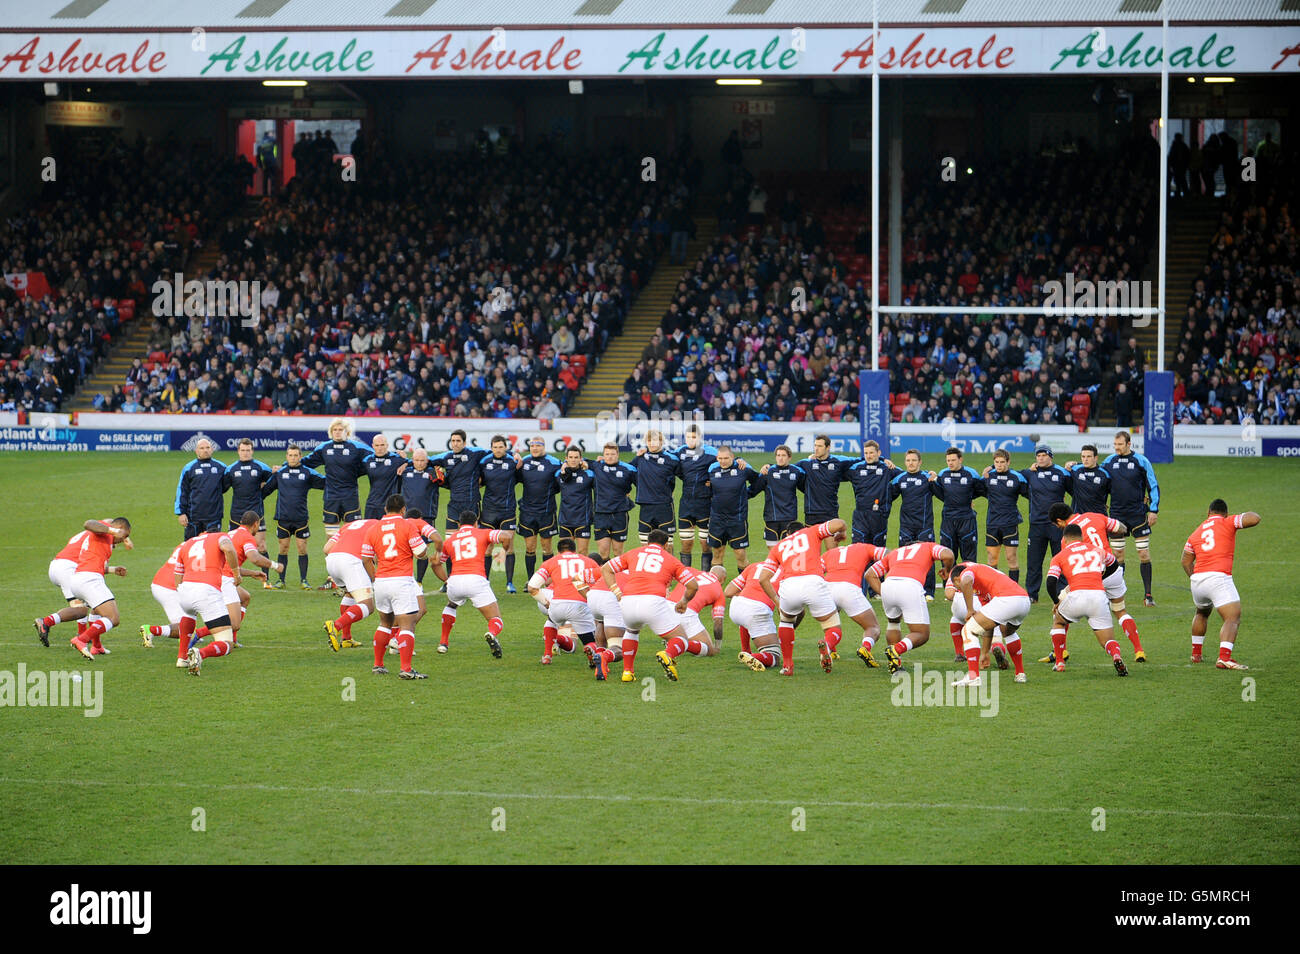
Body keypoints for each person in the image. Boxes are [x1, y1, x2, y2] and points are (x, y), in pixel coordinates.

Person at [1048, 503, 1144, 661]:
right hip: (1113, 570)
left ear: (1059, 522)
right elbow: (1121, 527)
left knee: (1061, 606)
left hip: (1092, 576)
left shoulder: (1067, 540)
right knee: (1120, 610)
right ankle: (1139, 650)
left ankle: (1061, 653)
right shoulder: (1094, 516)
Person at [600, 529, 697, 682]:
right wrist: (684, 601)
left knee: (632, 631)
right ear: (666, 545)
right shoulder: (670, 559)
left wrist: (617, 592)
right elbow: (693, 585)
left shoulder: (634, 553)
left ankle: (627, 672)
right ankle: (668, 654)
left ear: (647, 542)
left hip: (628, 601)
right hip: (652, 602)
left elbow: (606, 568)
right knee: (681, 639)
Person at [754, 519, 849, 676]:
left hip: (789, 586)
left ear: (787, 534)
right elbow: (839, 523)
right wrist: (841, 533)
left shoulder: (779, 546)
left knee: (786, 622)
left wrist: (777, 601)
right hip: (813, 582)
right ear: (804, 528)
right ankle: (828, 644)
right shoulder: (812, 531)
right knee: (833, 627)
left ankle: (787, 666)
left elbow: (763, 578)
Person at [35, 517, 132, 657]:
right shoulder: (104, 530)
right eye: (126, 535)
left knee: (96, 609)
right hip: (83, 576)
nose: (123, 539)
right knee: (111, 617)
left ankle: (96, 646)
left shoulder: (103, 539)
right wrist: (115, 531)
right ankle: (81, 639)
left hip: (78, 576)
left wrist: (112, 569)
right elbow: (88, 523)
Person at [1181, 499, 1260, 669]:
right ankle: (1224, 657)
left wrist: (1195, 578)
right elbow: (1255, 518)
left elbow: (1185, 561)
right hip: (1218, 578)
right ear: (1224, 512)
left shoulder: (1196, 532)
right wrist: (1238, 518)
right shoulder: (1227, 521)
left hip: (1197, 581)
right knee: (1232, 617)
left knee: (1202, 612)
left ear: (1208, 512)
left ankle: (1196, 654)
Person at [1045, 524, 1129, 677]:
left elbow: (1051, 581)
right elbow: (1114, 565)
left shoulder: (1060, 556)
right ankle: (1116, 655)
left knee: (1059, 621)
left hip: (1076, 596)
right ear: (1082, 537)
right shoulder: (1097, 550)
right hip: (1098, 597)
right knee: (1107, 641)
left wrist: (1056, 601)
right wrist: (1099, 576)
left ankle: (1059, 663)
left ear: (1064, 538)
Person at [361, 495, 430, 679]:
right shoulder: (407, 525)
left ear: (385, 509)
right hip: (402, 580)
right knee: (407, 624)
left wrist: (375, 578)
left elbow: (366, 558)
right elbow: (421, 551)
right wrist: (423, 554)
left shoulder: (373, 528)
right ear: (403, 510)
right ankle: (406, 669)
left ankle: (378, 665)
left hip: (381, 582)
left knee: (385, 623)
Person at [866, 540, 955, 674]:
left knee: (893, 623)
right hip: (910, 585)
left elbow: (870, 574)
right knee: (921, 633)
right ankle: (896, 650)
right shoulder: (928, 546)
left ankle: (895, 663)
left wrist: (883, 593)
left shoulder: (895, 552)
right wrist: (947, 570)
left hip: (888, 585)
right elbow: (948, 555)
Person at [438, 510, 512, 657]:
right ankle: (491, 634)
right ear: (476, 522)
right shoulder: (482, 533)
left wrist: (446, 580)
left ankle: (443, 643)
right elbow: (506, 536)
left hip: (455, 581)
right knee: (495, 619)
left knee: (451, 605)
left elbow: (436, 562)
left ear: (459, 525)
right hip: (476, 580)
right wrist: (505, 549)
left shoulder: (450, 540)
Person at [527, 538, 603, 675]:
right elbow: (601, 582)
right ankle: (591, 651)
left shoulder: (550, 562)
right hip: (579, 605)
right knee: (589, 640)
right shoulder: (588, 561)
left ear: (558, 551)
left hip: (556, 603)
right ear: (575, 550)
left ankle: (547, 656)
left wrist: (546, 603)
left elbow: (532, 587)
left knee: (551, 621)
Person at [949, 562, 1032, 686]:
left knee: (968, 630)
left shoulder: (967, 572)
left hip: (1007, 599)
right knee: (1007, 631)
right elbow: (989, 624)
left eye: (956, 586)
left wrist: (970, 609)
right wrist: (985, 652)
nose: (959, 589)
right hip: (1023, 600)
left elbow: (966, 582)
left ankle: (973, 676)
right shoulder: (983, 588)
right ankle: (1020, 674)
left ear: (956, 579)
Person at [1103, 430, 1160, 606]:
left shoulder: (1141, 461)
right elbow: (1100, 483)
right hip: (1117, 515)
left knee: (1143, 553)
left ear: (1129, 444)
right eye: (1115, 444)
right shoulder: (1108, 462)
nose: (1117, 447)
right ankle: (1117, 594)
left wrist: (1153, 509)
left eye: (1120, 444)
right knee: (1118, 556)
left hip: (1137, 514)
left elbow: (1153, 485)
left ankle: (1148, 595)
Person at [178, 530, 244, 676]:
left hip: (184, 590)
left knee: (189, 614)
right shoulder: (220, 536)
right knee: (227, 642)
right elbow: (228, 549)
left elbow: (178, 574)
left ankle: (181, 658)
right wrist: (236, 573)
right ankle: (200, 654)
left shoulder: (187, 543)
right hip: (206, 591)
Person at [262, 444, 326, 589]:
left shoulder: (308, 473)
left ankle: (304, 580)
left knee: (302, 548)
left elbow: (326, 483)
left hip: (301, 518)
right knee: (283, 548)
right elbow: (266, 491)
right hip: (283, 518)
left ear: (300, 457)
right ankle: (281, 581)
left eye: (295, 455)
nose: (293, 458)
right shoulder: (279, 473)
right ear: (286, 456)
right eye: (290, 455)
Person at [819, 542, 887, 670]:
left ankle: (829, 647)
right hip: (848, 588)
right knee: (873, 627)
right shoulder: (864, 547)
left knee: (832, 624)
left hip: (827, 588)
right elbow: (887, 555)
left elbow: (817, 571)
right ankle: (865, 648)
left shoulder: (829, 553)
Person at [1019, 445, 1073, 602]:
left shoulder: (1062, 473)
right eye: (1038, 456)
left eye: (1044, 455)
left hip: (1058, 525)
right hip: (1036, 525)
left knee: (1061, 560)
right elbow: (1013, 476)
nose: (1041, 458)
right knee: (1034, 562)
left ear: (1051, 457)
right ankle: (1031, 594)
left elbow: (1075, 492)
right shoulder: (1030, 473)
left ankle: (1062, 592)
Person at [303, 419, 370, 535]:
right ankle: (332, 554)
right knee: (331, 536)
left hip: (350, 497)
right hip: (331, 497)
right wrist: (284, 467)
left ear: (347, 432)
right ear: (331, 432)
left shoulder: (357, 447)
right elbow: (305, 462)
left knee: (353, 535)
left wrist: (399, 458)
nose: (337, 432)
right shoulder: (324, 448)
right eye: (335, 430)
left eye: (340, 429)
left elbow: (376, 458)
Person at [703, 446, 762, 574]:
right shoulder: (712, 469)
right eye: (720, 458)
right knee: (717, 553)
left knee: (740, 554)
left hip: (737, 520)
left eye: (726, 458)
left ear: (733, 457)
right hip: (717, 519)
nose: (723, 461)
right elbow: (707, 486)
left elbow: (758, 481)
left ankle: (745, 586)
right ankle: (715, 587)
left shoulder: (743, 468)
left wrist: (748, 494)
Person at [323, 517, 379, 651]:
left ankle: (346, 638)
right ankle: (336, 626)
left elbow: (326, 548)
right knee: (368, 606)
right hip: (351, 562)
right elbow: (376, 555)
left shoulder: (349, 525)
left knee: (351, 593)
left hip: (332, 561)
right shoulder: (378, 526)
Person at [889, 450, 938, 598]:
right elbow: (889, 496)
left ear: (920, 462)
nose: (911, 463)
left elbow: (944, 494)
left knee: (927, 558)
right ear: (905, 462)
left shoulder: (927, 477)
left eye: (914, 460)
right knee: (904, 558)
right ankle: (905, 589)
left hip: (924, 525)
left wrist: (935, 480)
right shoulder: (900, 479)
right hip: (906, 526)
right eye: (908, 460)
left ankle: (928, 592)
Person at [478, 435, 521, 589]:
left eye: (500, 447)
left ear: (505, 447)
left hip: (507, 510)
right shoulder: (484, 461)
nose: (498, 450)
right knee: (487, 547)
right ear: (491, 448)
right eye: (495, 447)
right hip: (488, 510)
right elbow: (479, 481)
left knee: (508, 545)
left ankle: (509, 583)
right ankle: (485, 581)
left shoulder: (513, 461)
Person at [929, 446, 986, 565]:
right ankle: (949, 584)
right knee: (947, 558)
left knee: (969, 559)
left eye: (953, 460)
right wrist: (933, 482)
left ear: (960, 460)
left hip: (967, 520)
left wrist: (967, 499)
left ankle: (968, 582)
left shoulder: (971, 474)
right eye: (948, 460)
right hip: (948, 521)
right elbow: (942, 495)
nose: (950, 463)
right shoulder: (943, 474)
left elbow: (981, 490)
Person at [516, 437, 562, 581]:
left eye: (538, 445)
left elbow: (561, 483)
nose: (535, 448)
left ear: (544, 446)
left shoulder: (554, 463)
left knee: (546, 547)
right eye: (532, 445)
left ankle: (547, 580)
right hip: (527, 513)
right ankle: (531, 580)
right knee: (530, 547)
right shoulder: (524, 462)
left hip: (546, 513)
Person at [223, 438, 274, 560]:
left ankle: (265, 579)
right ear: (238, 451)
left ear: (252, 451)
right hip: (236, 516)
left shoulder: (261, 467)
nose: (245, 452)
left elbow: (274, 481)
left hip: (256, 514)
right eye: (243, 450)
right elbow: (222, 488)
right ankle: (232, 577)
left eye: (248, 450)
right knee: (232, 549)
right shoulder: (230, 469)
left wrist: (262, 492)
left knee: (261, 546)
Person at [674, 425, 717, 568]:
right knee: (686, 543)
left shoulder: (710, 452)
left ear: (700, 437)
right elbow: (663, 457)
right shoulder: (679, 452)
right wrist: (643, 453)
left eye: (693, 437)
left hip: (705, 504)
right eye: (687, 437)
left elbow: (727, 460)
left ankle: (705, 576)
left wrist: (714, 481)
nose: (690, 440)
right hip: (686, 504)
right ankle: (685, 576)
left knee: (705, 544)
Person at [397, 448, 443, 583]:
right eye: (416, 460)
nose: (419, 463)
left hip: (426, 516)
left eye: (422, 460)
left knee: (422, 550)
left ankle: (419, 581)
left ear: (427, 461)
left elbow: (443, 480)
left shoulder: (433, 472)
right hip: (407, 518)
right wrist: (406, 462)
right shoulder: (404, 472)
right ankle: (406, 579)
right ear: (413, 460)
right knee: (405, 549)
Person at [432, 429, 491, 531]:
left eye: (458, 441)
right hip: (454, 503)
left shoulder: (475, 453)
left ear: (464, 443)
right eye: (453, 441)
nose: (455, 444)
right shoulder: (446, 457)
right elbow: (425, 459)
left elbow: (496, 453)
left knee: (472, 537)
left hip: (471, 503)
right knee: (450, 538)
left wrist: (513, 455)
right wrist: (406, 463)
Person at [728, 561, 782, 671]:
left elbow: (728, 592)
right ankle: (753, 657)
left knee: (746, 618)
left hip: (736, 605)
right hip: (757, 610)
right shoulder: (789, 571)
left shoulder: (755, 565)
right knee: (774, 656)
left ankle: (746, 651)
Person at [983, 449, 1028, 582]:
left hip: (1010, 523)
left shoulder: (1017, 477)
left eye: (1002, 462)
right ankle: (992, 588)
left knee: (1011, 557)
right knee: (992, 558)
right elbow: (974, 490)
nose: (999, 465)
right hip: (992, 523)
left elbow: (1031, 494)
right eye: (996, 462)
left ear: (1008, 462)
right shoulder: (988, 476)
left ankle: (1014, 590)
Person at [588, 442, 637, 564]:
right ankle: (605, 579)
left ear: (618, 454)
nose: (609, 456)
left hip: (619, 514)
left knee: (618, 551)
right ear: (602, 455)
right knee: (603, 552)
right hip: (601, 514)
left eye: (612, 454)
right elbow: (579, 460)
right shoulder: (596, 465)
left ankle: (618, 579)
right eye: (607, 454)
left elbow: (642, 485)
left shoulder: (628, 469)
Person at [843, 440, 896, 546]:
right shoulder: (856, 469)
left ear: (879, 453)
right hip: (860, 517)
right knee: (858, 552)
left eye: (871, 453)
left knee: (877, 554)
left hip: (879, 517)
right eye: (866, 453)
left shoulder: (887, 469)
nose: (868, 456)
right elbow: (836, 468)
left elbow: (907, 477)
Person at [632, 430, 679, 543]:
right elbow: (626, 472)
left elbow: (686, 476)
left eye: (655, 440)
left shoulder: (672, 459)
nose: (652, 443)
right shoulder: (640, 458)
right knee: (645, 544)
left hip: (664, 506)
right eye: (649, 440)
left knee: (667, 544)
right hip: (646, 506)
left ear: (661, 442)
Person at [175, 438, 226, 540]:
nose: (205, 450)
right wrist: (181, 513)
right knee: (191, 547)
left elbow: (233, 482)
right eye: (201, 448)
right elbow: (182, 490)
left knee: (212, 549)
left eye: (207, 447)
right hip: (193, 517)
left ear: (212, 449)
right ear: (196, 451)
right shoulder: (189, 468)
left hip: (214, 517)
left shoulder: (221, 467)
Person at [140, 542, 185, 652]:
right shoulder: (201, 546)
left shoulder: (188, 543)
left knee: (188, 621)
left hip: (162, 583)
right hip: (168, 588)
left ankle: (188, 636)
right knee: (183, 629)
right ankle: (151, 630)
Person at [758, 445, 804, 546]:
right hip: (771, 518)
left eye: (783, 455)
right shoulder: (768, 472)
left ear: (789, 457)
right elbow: (753, 490)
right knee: (773, 553)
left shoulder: (796, 472)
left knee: (787, 552)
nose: (780, 458)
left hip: (789, 518)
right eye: (778, 455)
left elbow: (807, 489)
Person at [361, 434, 405, 520]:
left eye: (382, 445)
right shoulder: (367, 460)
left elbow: (415, 463)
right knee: (370, 532)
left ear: (387, 445)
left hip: (390, 506)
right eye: (377, 445)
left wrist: (406, 463)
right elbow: (352, 472)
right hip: (372, 505)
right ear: (373, 446)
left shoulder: (396, 459)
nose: (380, 448)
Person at [1062, 443, 1111, 516]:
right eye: (1083, 456)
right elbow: (1061, 472)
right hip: (1079, 516)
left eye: (1089, 456)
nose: (1085, 459)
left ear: (1095, 458)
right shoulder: (1075, 469)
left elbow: (1112, 492)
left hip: (1097, 516)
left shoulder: (1104, 475)